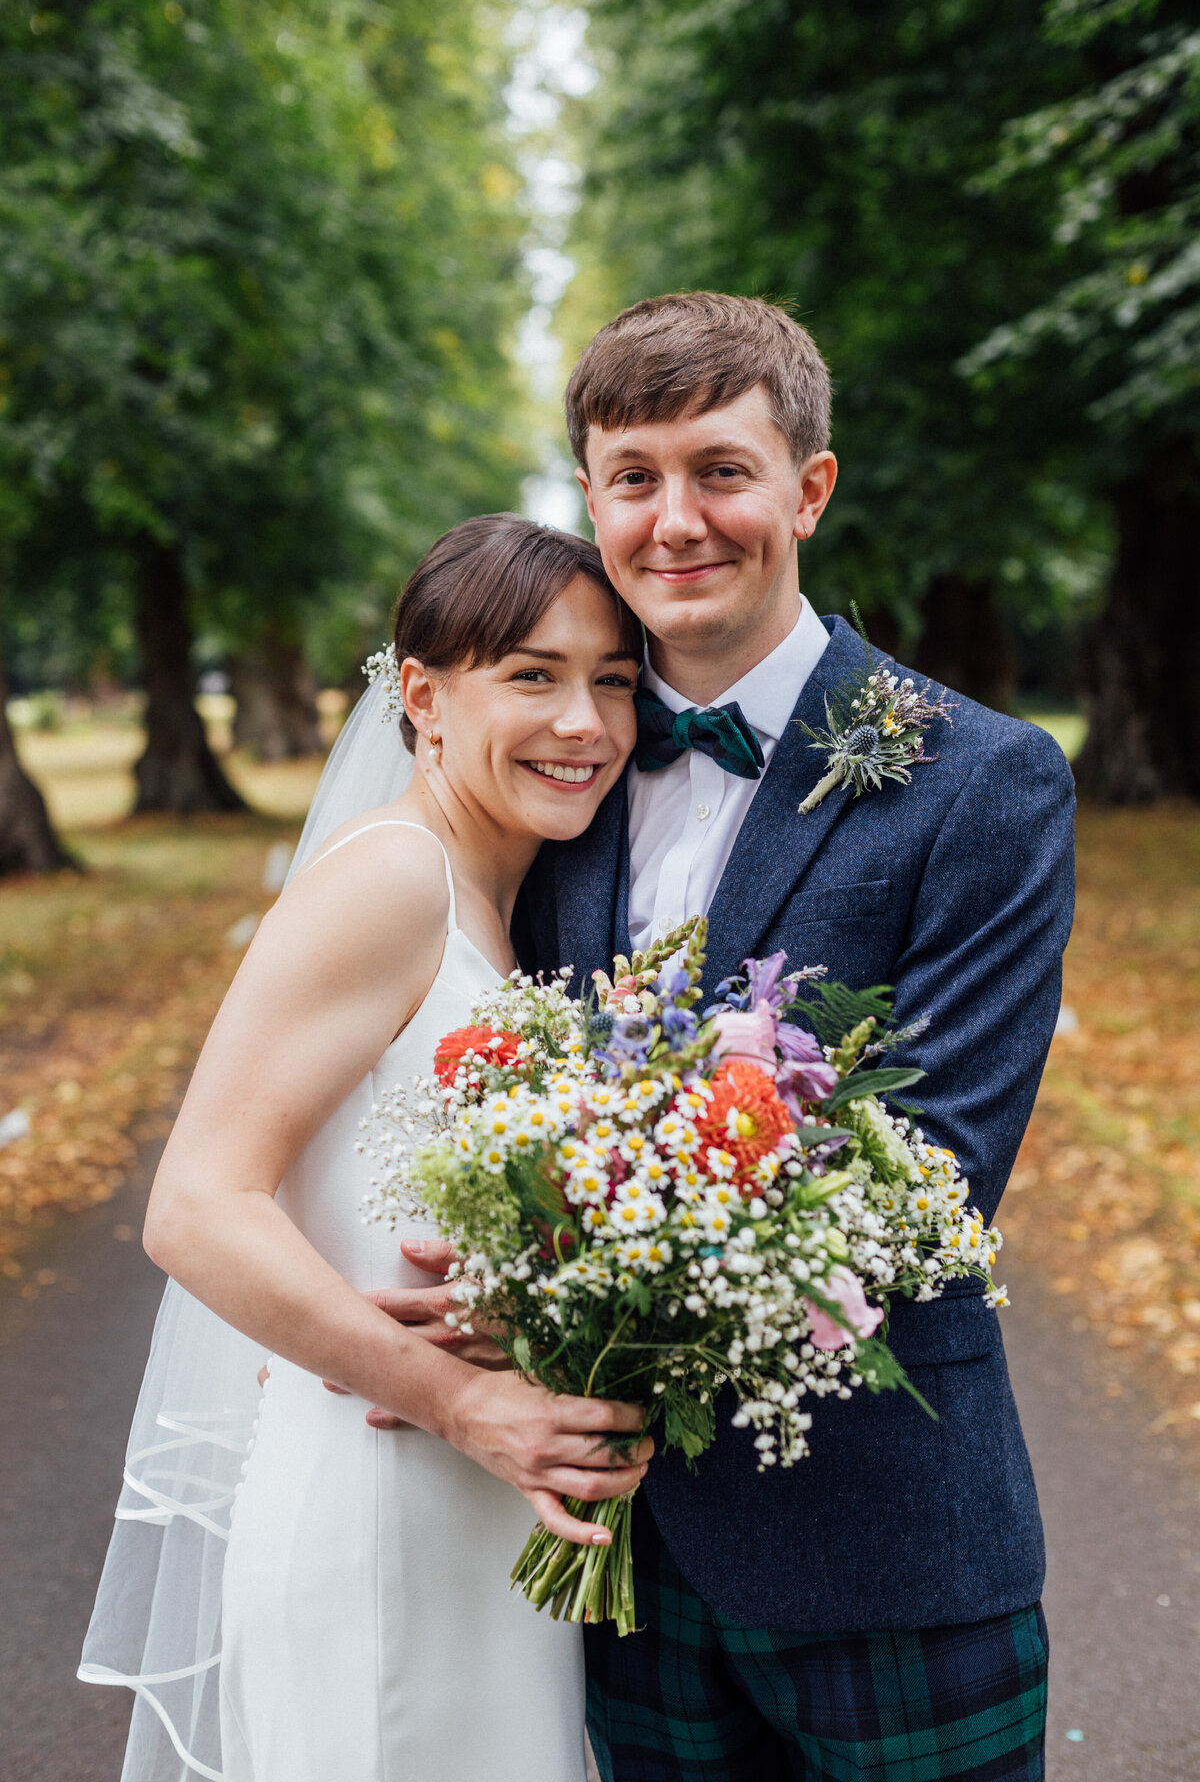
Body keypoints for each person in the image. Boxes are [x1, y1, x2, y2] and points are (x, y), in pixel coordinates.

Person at [378, 294, 1076, 1781]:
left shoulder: (984, 780)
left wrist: (546, 1285)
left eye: (722, 471)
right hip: (617, 1564)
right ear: (591, 500)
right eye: (634, 477)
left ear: (808, 490)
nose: (676, 520)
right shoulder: (551, 774)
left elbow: (935, 1173)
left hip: (886, 1547)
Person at [78, 514, 653, 1782]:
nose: (585, 724)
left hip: (489, 1512)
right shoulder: (392, 879)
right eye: (534, 675)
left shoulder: (507, 901)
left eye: (613, 680)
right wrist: (463, 1403)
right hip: (387, 1509)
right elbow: (196, 1206)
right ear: (423, 697)